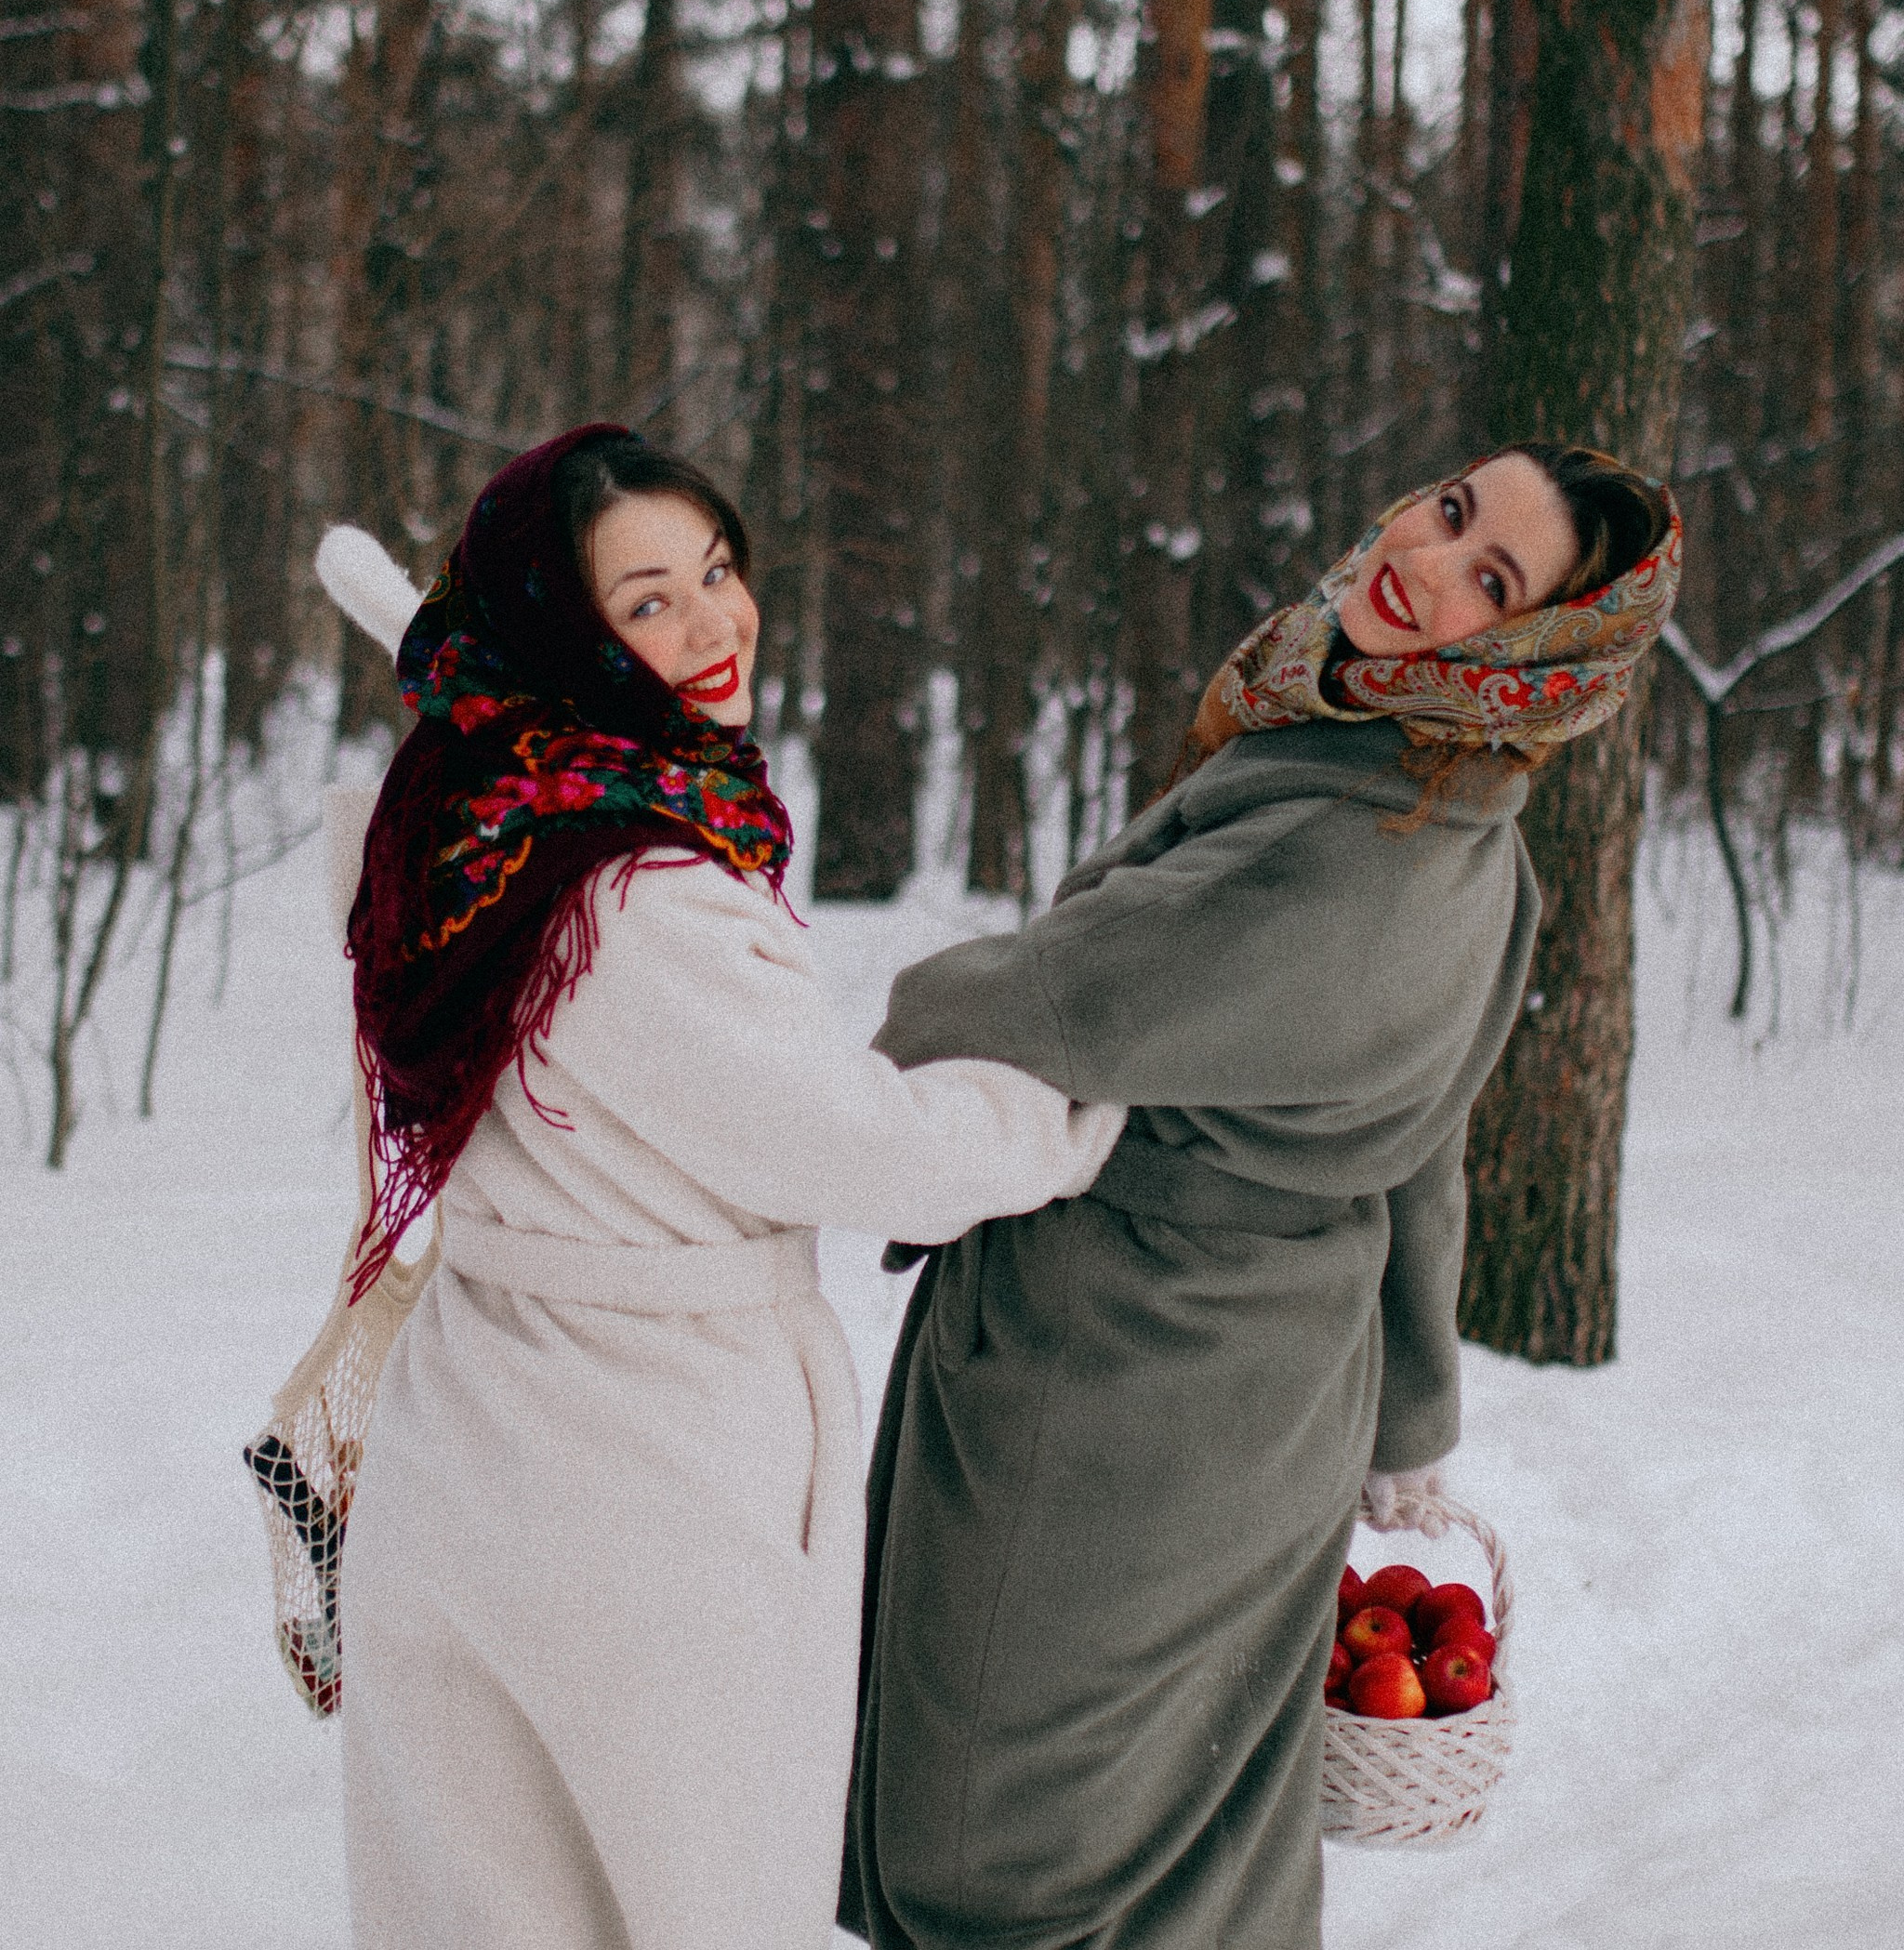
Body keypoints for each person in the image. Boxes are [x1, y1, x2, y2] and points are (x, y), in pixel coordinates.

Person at [840, 443, 1681, 1950]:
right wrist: (1408, 1420)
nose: (1428, 563)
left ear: (1536, 661)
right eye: (1450, 511)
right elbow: (1417, 1155)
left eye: (1492, 582)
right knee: (1184, 1851)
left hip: (1122, 1405)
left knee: (1005, 1852)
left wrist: (852, 1051)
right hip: (1264, 1407)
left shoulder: (1356, 858)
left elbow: (1045, 1000)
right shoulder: (1450, 821)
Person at [336, 425, 1125, 1950]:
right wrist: (1074, 1101)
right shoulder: (631, 892)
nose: (712, 624)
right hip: (651, 1473)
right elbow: (862, 1148)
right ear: (565, 637)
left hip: (470, 1436)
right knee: (700, 1898)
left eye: (716, 571)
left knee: (480, 1902)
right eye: (647, 603)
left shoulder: (448, 815)